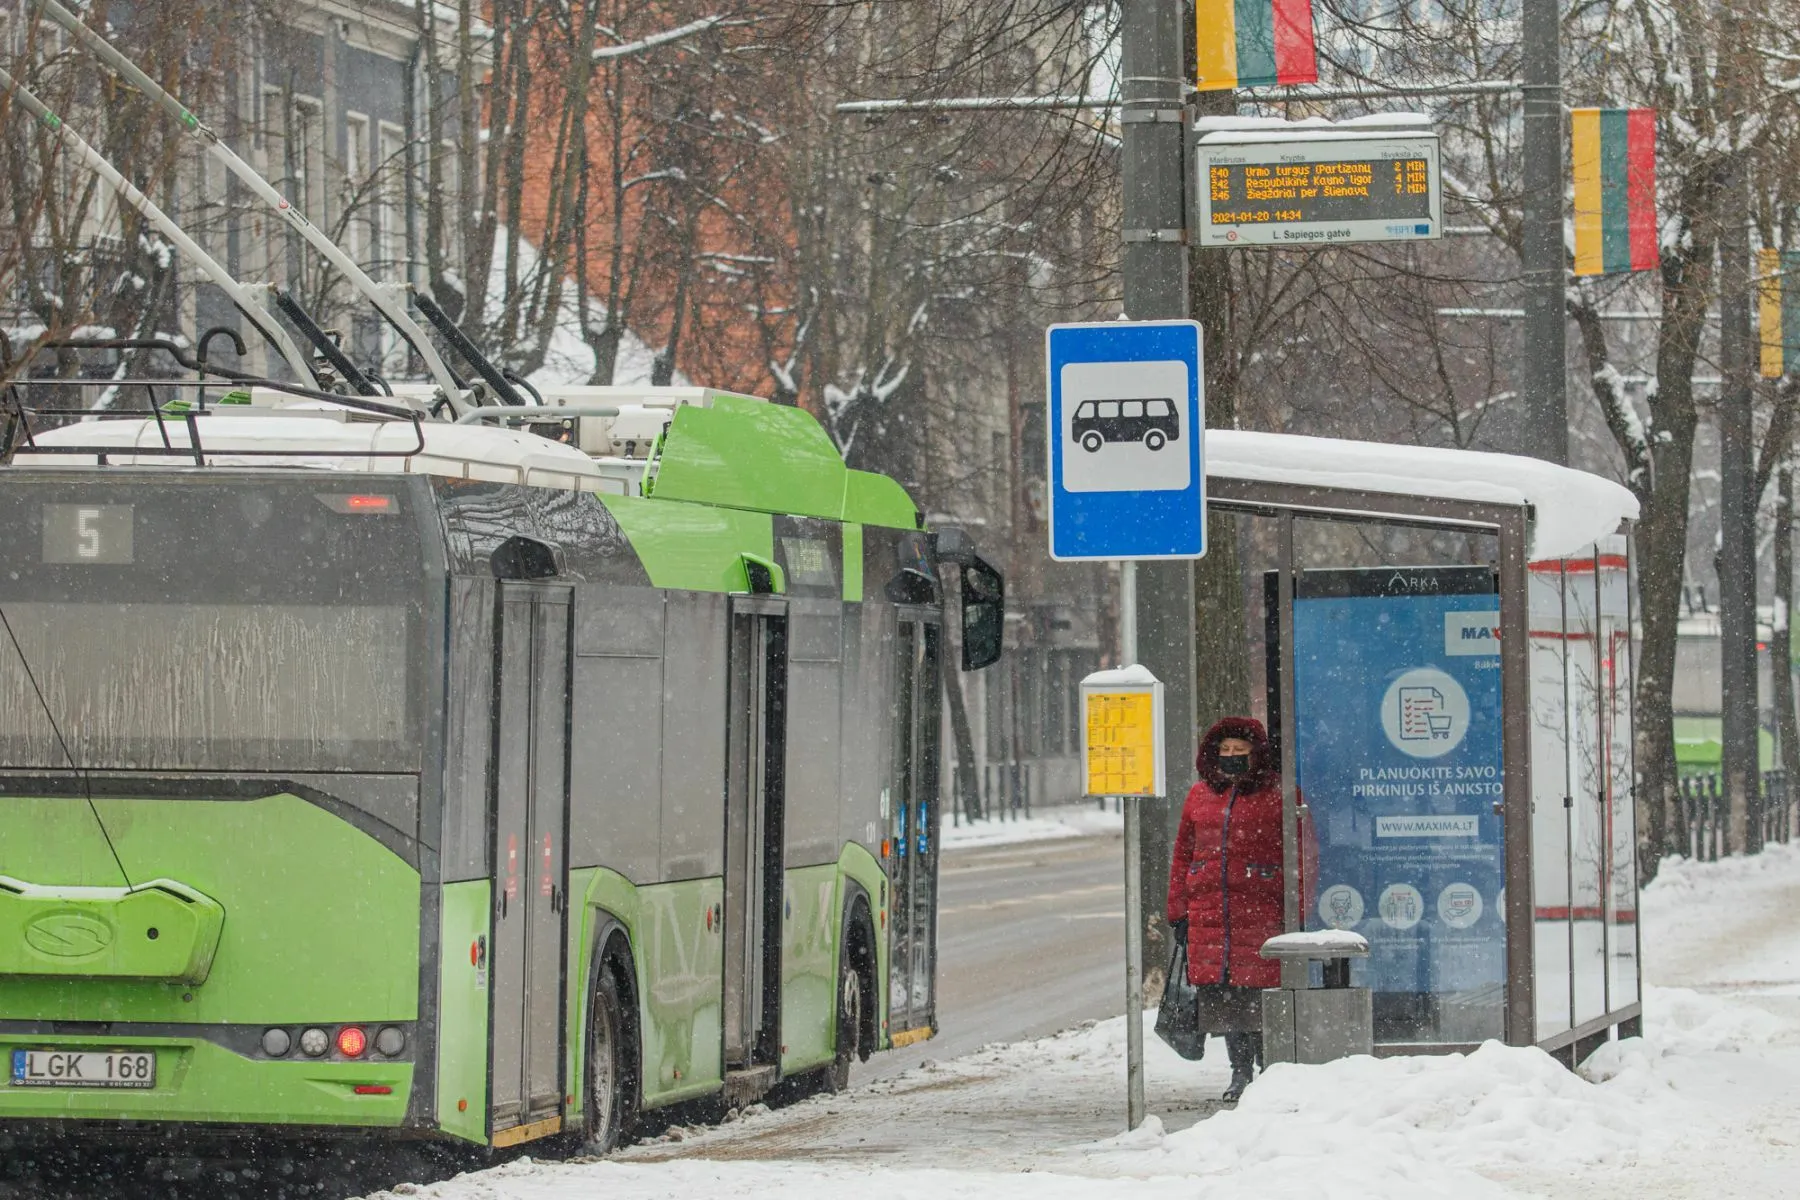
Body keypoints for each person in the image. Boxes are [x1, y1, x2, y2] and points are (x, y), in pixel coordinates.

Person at [1166, 716, 1289, 1103]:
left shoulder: (1278, 794)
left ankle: (1272, 1070)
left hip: (1261, 914)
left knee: (1261, 994)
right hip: (1210, 914)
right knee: (1227, 998)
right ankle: (1240, 1071)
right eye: (1225, 751)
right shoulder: (1200, 795)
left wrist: (1293, 905)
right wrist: (1178, 910)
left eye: (1241, 751)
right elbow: (1183, 853)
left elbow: (1300, 852)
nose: (1232, 757)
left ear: (1257, 754)